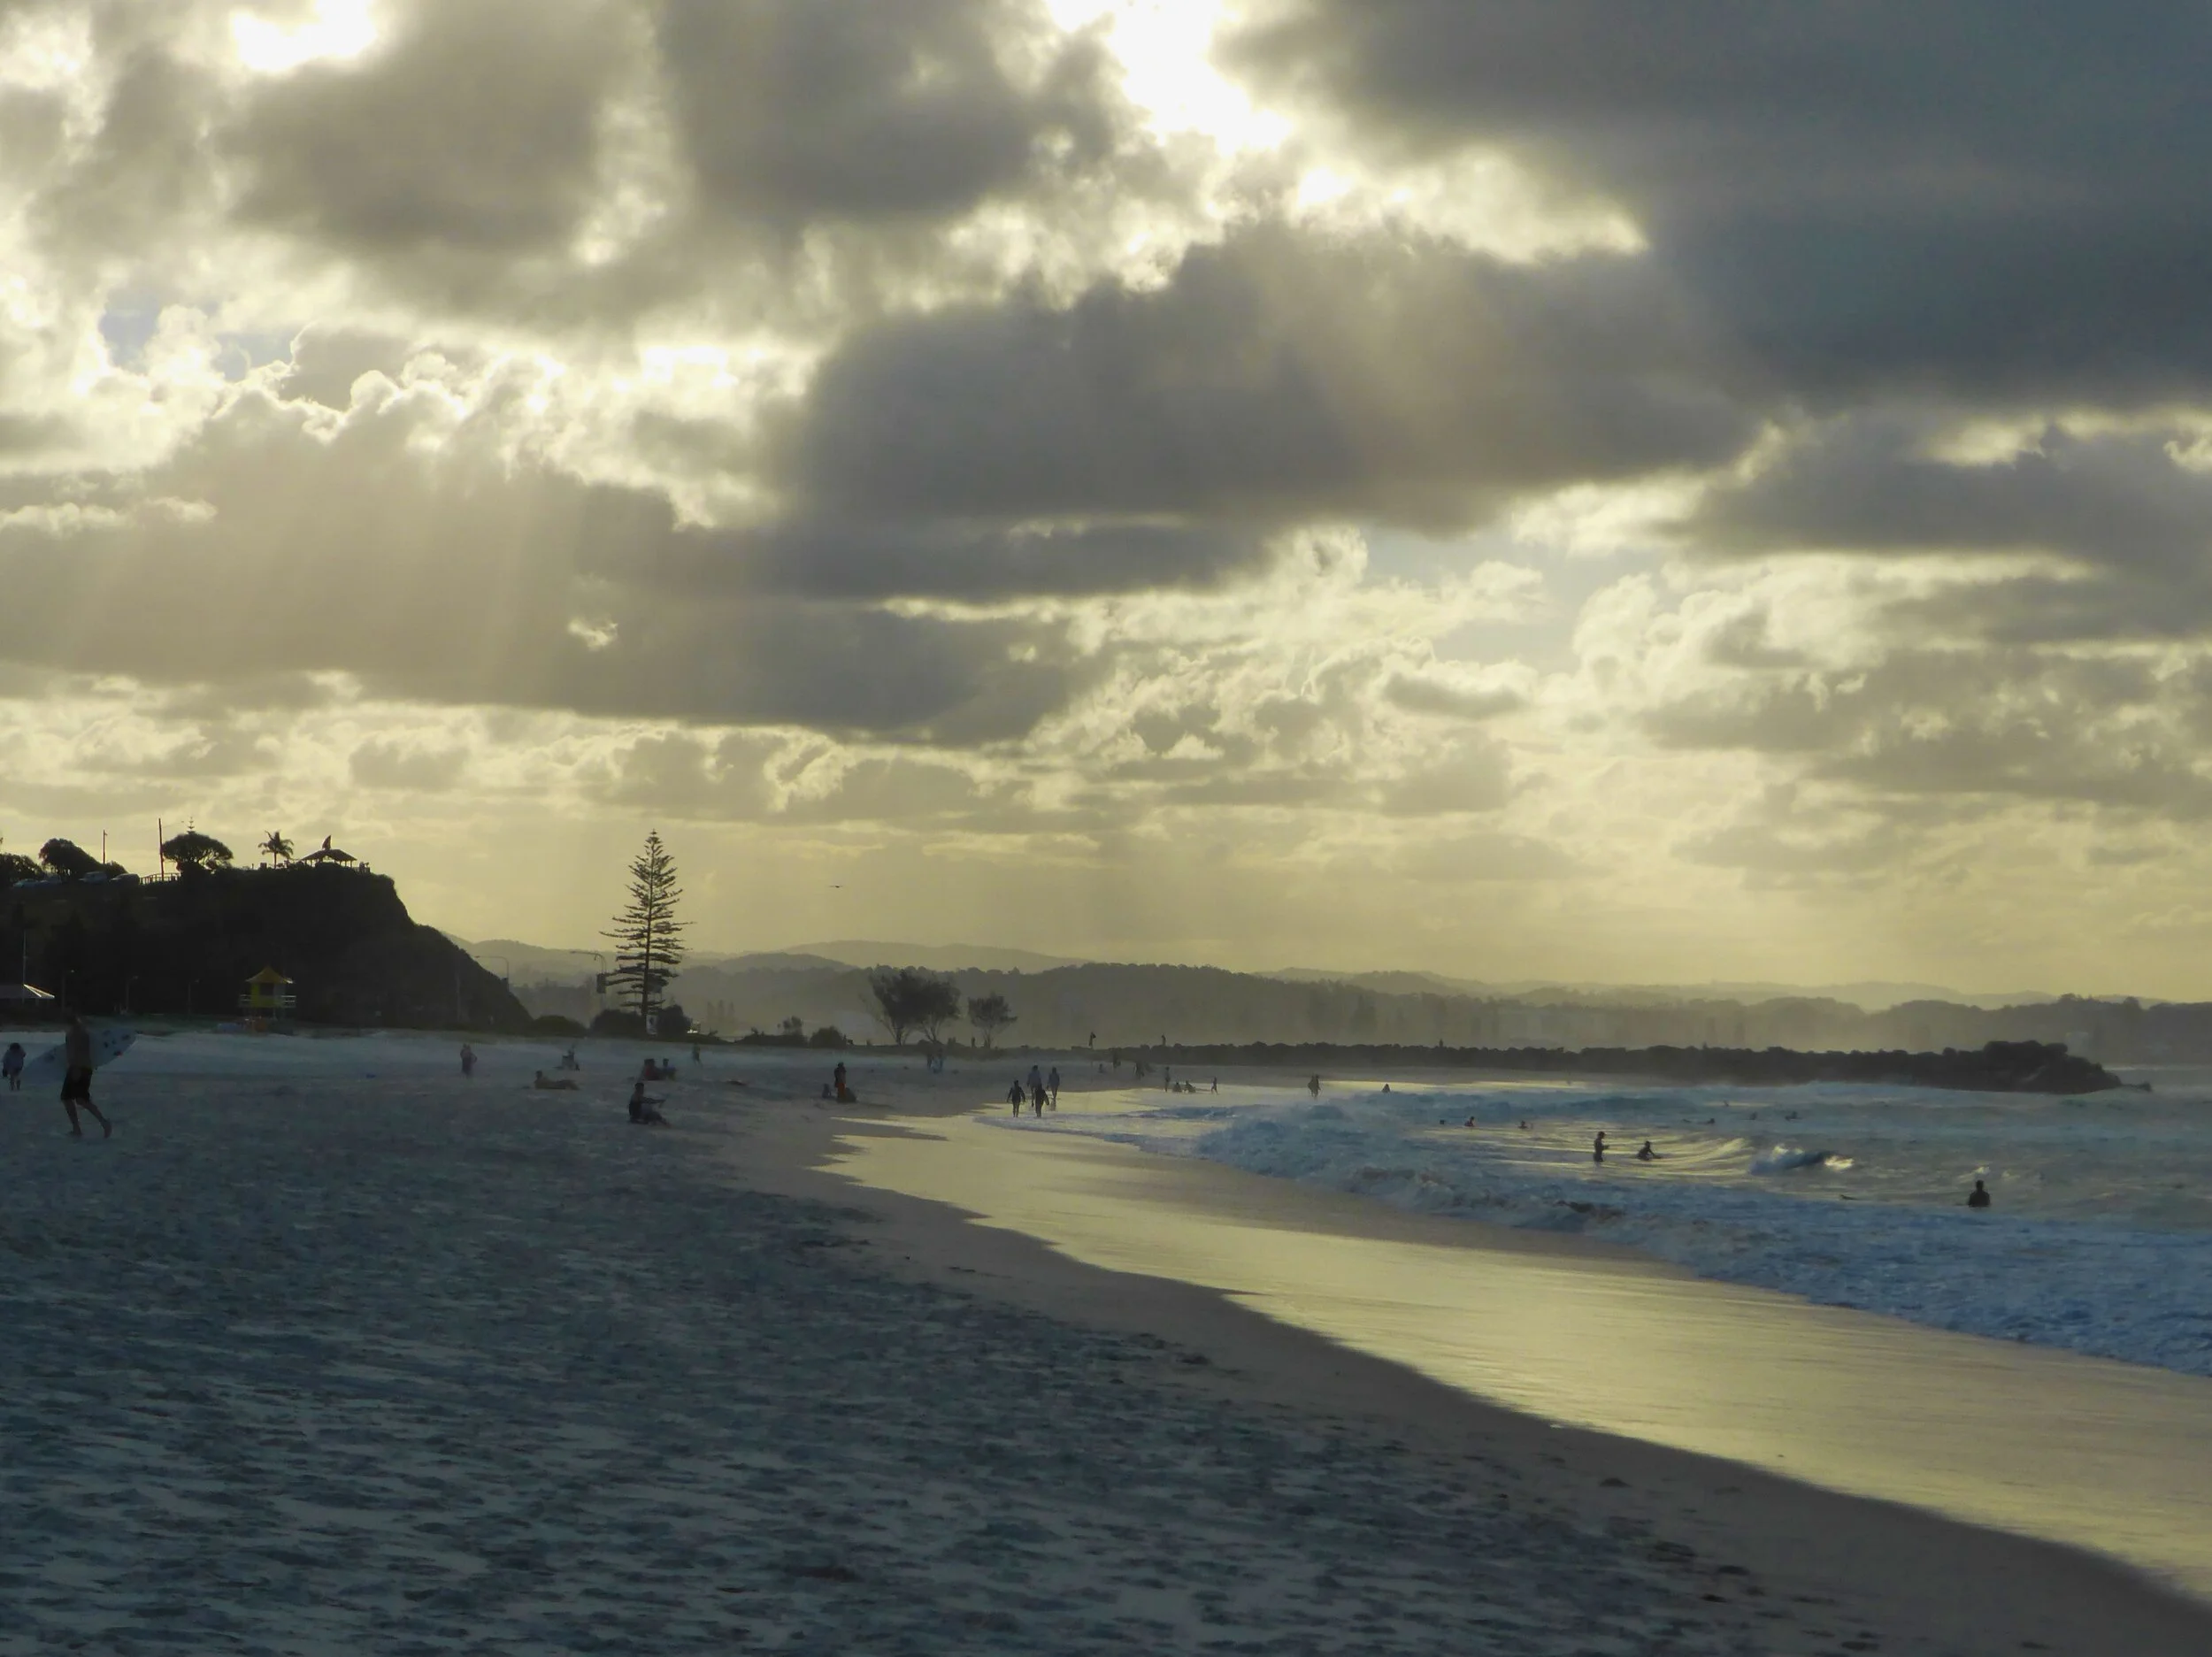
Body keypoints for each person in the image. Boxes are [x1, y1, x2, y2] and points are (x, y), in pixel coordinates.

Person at [59, 1016, 111, 1139]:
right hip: (84, 1067)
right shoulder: (83, 1032)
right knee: (80, 1099)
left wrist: (74, 1068)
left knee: (69, 1098)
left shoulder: (75, 1034)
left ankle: (81, 1128)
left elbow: (76, 1051)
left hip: (78, 1068)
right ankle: (102, 1123)